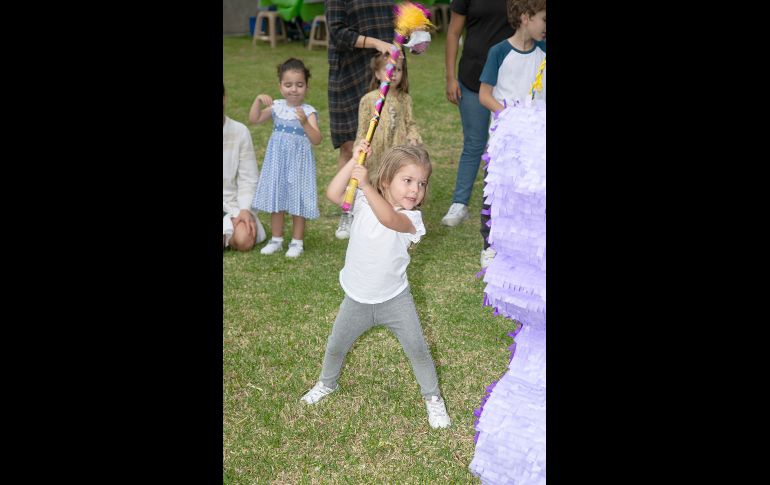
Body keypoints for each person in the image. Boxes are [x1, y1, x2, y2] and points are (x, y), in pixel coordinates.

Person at [301, 140, 451, 430]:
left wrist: (366, 185)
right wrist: (354, 161)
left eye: (421, 183)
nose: (415, 190)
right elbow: (333, 193)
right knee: (336, 346)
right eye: (407, 181)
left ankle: (432, 397)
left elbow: (389, 219)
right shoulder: (361, 202)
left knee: (417, 349)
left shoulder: (411, 219)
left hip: (395, 300)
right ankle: (327, 383)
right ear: (386, 179)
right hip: (356, 298)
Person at [441, 0, 515, 268]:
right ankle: (459, 203)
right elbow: (453, 33)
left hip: (507, 81)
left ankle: (505, 209)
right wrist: (451, 77)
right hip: (471, 78)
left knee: (506, 149)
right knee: (474, 143)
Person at [476, 0, 545, 267]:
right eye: (544, 19)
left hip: (536, 144)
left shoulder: (544, 52)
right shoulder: (499, 52)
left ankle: (527, 244)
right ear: (526, 17)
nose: (546, 26)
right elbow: (484, 95)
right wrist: (510, 117)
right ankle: (490, 246)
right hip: (505, 140)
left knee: (528, 195)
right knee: (496, 194)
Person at [326, 0, 399, 240]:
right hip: (349, 73)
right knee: (351, 147)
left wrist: (410, 37)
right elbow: (337, 33)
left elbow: (395, 23)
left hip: (382, 72)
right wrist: (376, 42)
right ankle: (347, 208)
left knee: (384, 144)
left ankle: (383, 206)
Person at [248, 58, 322, 259]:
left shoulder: (309, 111)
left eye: (299, 85)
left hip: (299, 164)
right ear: (280, 86)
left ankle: (297, 242)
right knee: (277, 200)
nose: (294, 89)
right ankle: (277, 239)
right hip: (278, 162)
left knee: (297, 200)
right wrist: (257, 101)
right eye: (288, 85)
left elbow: (316, 139)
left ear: (306, 86)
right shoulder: (277, 107)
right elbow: (254, 119)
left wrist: (305, 123)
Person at [223, 83, 266, 251]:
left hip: (231, 204)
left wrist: (244, 210)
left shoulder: (240, 131)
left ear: (224, 99)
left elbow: (248, 178)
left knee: (244, 240)